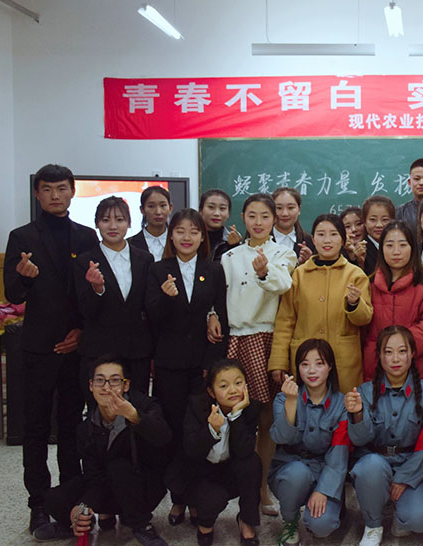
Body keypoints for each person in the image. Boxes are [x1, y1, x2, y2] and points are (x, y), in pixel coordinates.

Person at [3, 163, 100, 533]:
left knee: (73, 427)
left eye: (61, 188)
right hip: (38, 349)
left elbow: (92, 292)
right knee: (36, 429)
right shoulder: (21, 237)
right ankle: (39, 504)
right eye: (47, 189)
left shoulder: (87, 236)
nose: (55, 195)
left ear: (72, 191)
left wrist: (81, 331)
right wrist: (24, 279)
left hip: (75, 347)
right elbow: (13, 294)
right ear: (37, 193)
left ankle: (72, 500)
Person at [145, 208, 228, 524]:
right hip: (169, 365)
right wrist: (166, 298)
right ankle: (178, 498)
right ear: (171, 235)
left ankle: (197, 497)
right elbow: (152, 318)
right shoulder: (158, 270)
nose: (187, 237)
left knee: (200, 432)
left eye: (194, 231)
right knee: (175, 431)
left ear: (202, 237)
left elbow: (221, 317)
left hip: (202, 366)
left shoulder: (213, 270)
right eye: (180, 231)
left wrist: (212, 364)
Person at [216, 193, 297, 517]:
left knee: (266, 419)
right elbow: (218, 295)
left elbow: (284, 284)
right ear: (243, 218)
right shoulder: (229, 256)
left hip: (268, 339)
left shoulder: (283, 252)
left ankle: (262, 489)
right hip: (237, 339)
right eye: (252, 215)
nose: (259, 222)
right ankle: (240, 487)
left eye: (265, 215)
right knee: (239, 418)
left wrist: (264, 272)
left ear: (274, 219)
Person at [33, 356, 171, 546]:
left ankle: (142, 526)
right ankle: (77, 524)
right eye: (100, 380)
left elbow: (163, 437)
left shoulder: (145, 405)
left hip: (143, 487)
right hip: (109, 485)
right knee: (54, 498)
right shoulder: (86, 427)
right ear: (91, 386)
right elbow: (94, 476)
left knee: (119, 467)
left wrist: (133, 415)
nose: (106, 387)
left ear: (126, 385)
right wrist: (83, 506)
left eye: (114, 381)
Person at [345, 326, 423, 546]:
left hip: (413, 465)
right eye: (388, 352)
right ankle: (373, 524)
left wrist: (404, 478)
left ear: (412, 353)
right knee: (369, 466)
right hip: (376, 464)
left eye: (402, 351)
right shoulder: (365, 392)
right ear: (379, 356)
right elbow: (360, 441)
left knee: (422, 519)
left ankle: (401, 516)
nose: (395, 359)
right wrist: (357, 413)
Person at [270, 214, 373, 394]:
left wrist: (354, 303)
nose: (327, 240)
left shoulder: (355, 275)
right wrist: (278, 361)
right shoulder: (299, 275)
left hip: (342, 360)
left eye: (333, 234)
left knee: (344, 407)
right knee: (306, 405)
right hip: (305, 359)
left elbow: (364, 319)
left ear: (343, 239)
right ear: (313, 239)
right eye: (321, 234)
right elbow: (285, 321)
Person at [168, 359, 262, 545]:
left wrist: (236, 415)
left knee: (252, 463)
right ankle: (205, 525)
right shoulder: (197, 406)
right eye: (224, 386)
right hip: (198, 471)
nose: (233, 390)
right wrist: (212, 429)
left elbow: (244, 451)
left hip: (228, 469)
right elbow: (191, 451)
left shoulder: (251, 408)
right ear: (211, 392)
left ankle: (246, 521)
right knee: (213, 498)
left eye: (238, 383)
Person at [269, 339, 350, 545]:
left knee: (322, 526)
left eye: (319, 363)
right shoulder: (283, 398)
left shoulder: (341, 404)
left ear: (330, 366)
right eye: (304, 364)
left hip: (324, 470)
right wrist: (291, 402)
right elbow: (281, 438)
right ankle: (289, 521)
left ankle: (331, 504)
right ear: (297, 368)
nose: (311, 370)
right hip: (288, 469)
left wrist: (324, 490)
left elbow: (339, 453)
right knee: (297, 473)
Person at [74, 197, 154, 399]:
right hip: (99, 349)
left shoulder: (145, 259)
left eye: (119, 219)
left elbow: (148, 306)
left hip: (137, 351)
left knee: (137, 406)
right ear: (96, 224)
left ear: (129, 223)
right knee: (101, 408)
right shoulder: (85, 261)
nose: (112, 226)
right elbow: (84, 311)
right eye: (105, 220)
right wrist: (97, 289)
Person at [363, 220, 423, 386]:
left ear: (412, 249)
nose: (396, 251)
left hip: (417, 372)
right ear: (381, 249)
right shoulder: (368, 285)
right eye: (389, 245)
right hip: (375, 371)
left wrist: (398, 347)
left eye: (402, 245)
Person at [272, 187, 315, 266]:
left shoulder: (311, 243)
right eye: (279, 208)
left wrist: (308, 263)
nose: (285, 213)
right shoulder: (261, 241)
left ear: (299, 209)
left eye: (291, 208)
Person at [128, 186, 174, 262]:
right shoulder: (130, 244)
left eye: (163, 206)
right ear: (142, 210)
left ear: (170, 208)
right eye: (151, 206)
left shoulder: (177, 242)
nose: (158, 212)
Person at [199, 189, 242, 261]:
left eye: (222, 208)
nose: (216, 213)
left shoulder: (232, 241)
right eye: (211, 207)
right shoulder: (192, 239)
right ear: (200, 210)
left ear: (228, 214)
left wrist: (234, 247)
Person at [361, 195, 396, 275]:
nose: (379, 225)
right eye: (373, 220)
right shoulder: (361, 251)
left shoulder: (399, 246)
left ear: (393, 221)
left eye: (385, 220)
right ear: (364, 222)